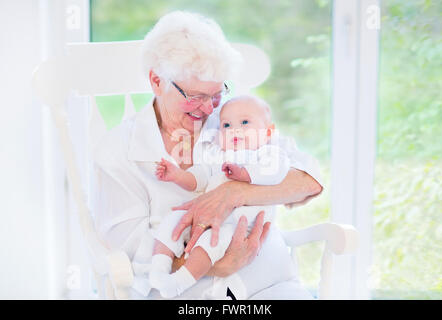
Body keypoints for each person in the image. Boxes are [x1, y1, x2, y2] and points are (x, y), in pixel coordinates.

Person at [92, 11, 323, 299]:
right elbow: (127, 253)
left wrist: (233, 193)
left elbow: (308, 181)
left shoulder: (231, 120)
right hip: (184, 293)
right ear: (156, 81)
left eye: (215, 94)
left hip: (268, 283)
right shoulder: (117, 152)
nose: (208, 109)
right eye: (195, 96)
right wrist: (214, 264)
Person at [149, 95, 291, 298]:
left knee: (211, 242)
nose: (234, 129)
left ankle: (181, 282)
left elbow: (277, 171)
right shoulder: (218, 156)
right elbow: (199, 177)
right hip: (207, 217)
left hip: (241, 225)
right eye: (226, 125)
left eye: (244, 122)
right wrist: (178, 175)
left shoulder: (267, 154)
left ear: (267, 132)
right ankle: (158, 270)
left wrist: (244, 174)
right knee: (174, 220)